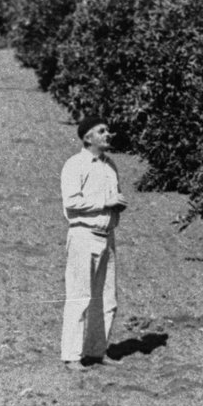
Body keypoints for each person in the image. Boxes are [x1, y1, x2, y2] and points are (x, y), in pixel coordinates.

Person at [60, 115, 126, 366]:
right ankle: (71, 356)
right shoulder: (75, 165)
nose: (108, 134)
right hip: (83, 235)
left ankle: (97, 351)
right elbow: (72, 203)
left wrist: (116, 206)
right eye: (102, 131)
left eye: (108, 130)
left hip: (107, 236)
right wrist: (105, 203)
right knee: (79, 296)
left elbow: (113, 198)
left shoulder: (110, 166)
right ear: (88, 137)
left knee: (107, 299)